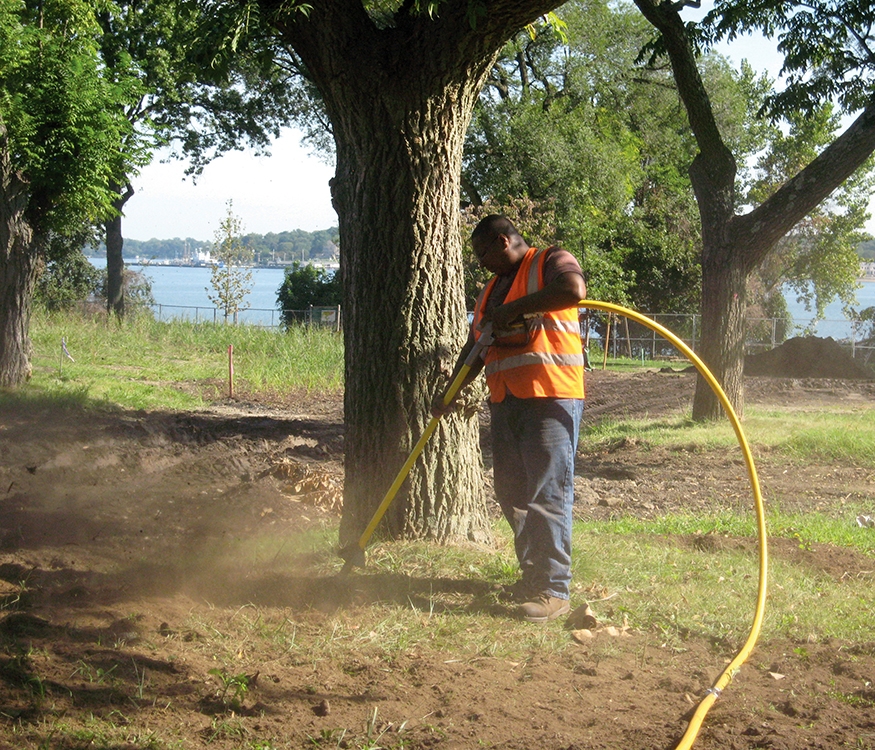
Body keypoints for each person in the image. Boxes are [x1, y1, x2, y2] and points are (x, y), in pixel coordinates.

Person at [433, 214, 586, 623]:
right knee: (512, 493)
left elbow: (573, 289)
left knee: (547, 493)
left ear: (503, 241)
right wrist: (451, 391)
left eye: (482, 252)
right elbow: (478, 346)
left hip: (550, 395)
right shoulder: (490, 291)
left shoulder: (550, 260)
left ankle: (555, 590)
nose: (480, 262)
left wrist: (512, 310)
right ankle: (533, 577)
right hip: (506, 401)